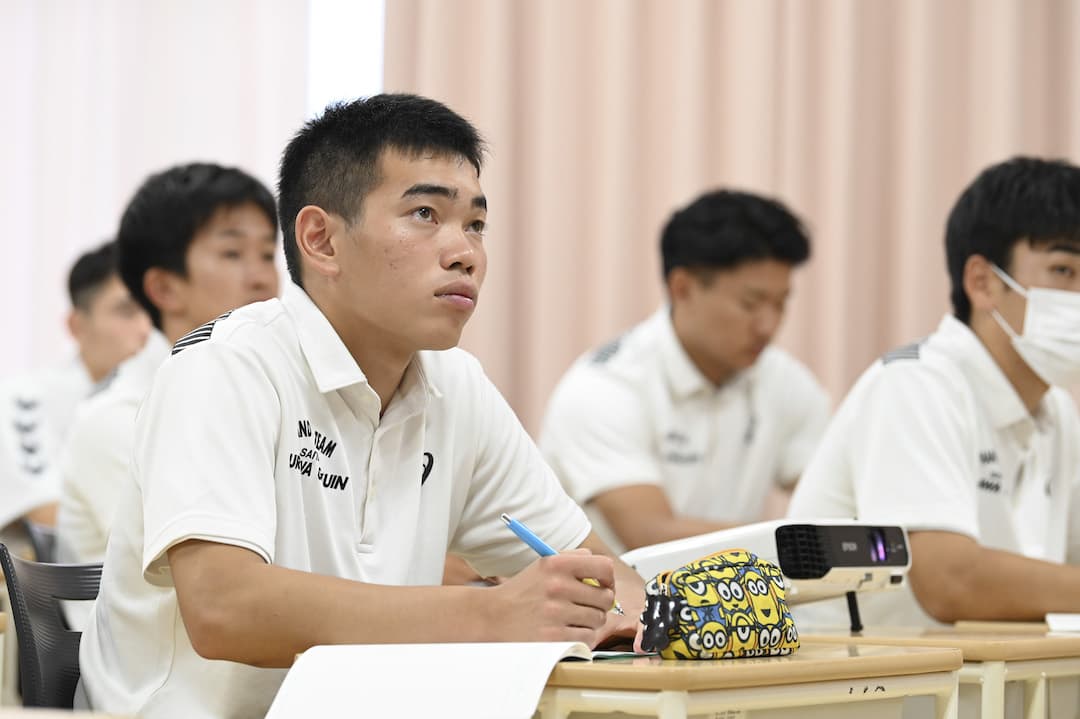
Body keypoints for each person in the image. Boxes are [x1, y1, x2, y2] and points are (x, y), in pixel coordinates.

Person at [79, 94, 644, 718]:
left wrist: (630, 614)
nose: (465, 252)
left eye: (476, 224)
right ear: (321, 240)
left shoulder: (456, 385)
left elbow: (601, 575)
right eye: (425, 214)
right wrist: (489, 614)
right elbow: (223, 607)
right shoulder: (227, 364)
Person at [788, 157, 1080, 627]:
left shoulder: (1057, 411)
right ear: (983, 282)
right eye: (1064, 270)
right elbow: (950, 581)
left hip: (988, 668)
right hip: (853, 671)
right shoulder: (915, 384)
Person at [539, 190, 830, 554]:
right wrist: (798, 545)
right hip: (620, 589)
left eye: (781, 303)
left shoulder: (784, 381)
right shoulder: (605, 386)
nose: (768, 326)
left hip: (740, 588)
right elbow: (650, 534)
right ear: (683, 288)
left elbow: (836, 493)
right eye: (750, 303)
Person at [56, 163, 280, 564]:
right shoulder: (115, 420)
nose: (263, 278)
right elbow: (209, 576)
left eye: (267, 254)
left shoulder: (269, 390)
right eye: (232, 253)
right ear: (164, 288)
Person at [0, 240, 149, 536]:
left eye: (151, 312)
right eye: (127, 311)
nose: (145, 329)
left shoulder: (157, 396)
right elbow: (43, 513)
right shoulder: (22, 399)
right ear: (76, 325)